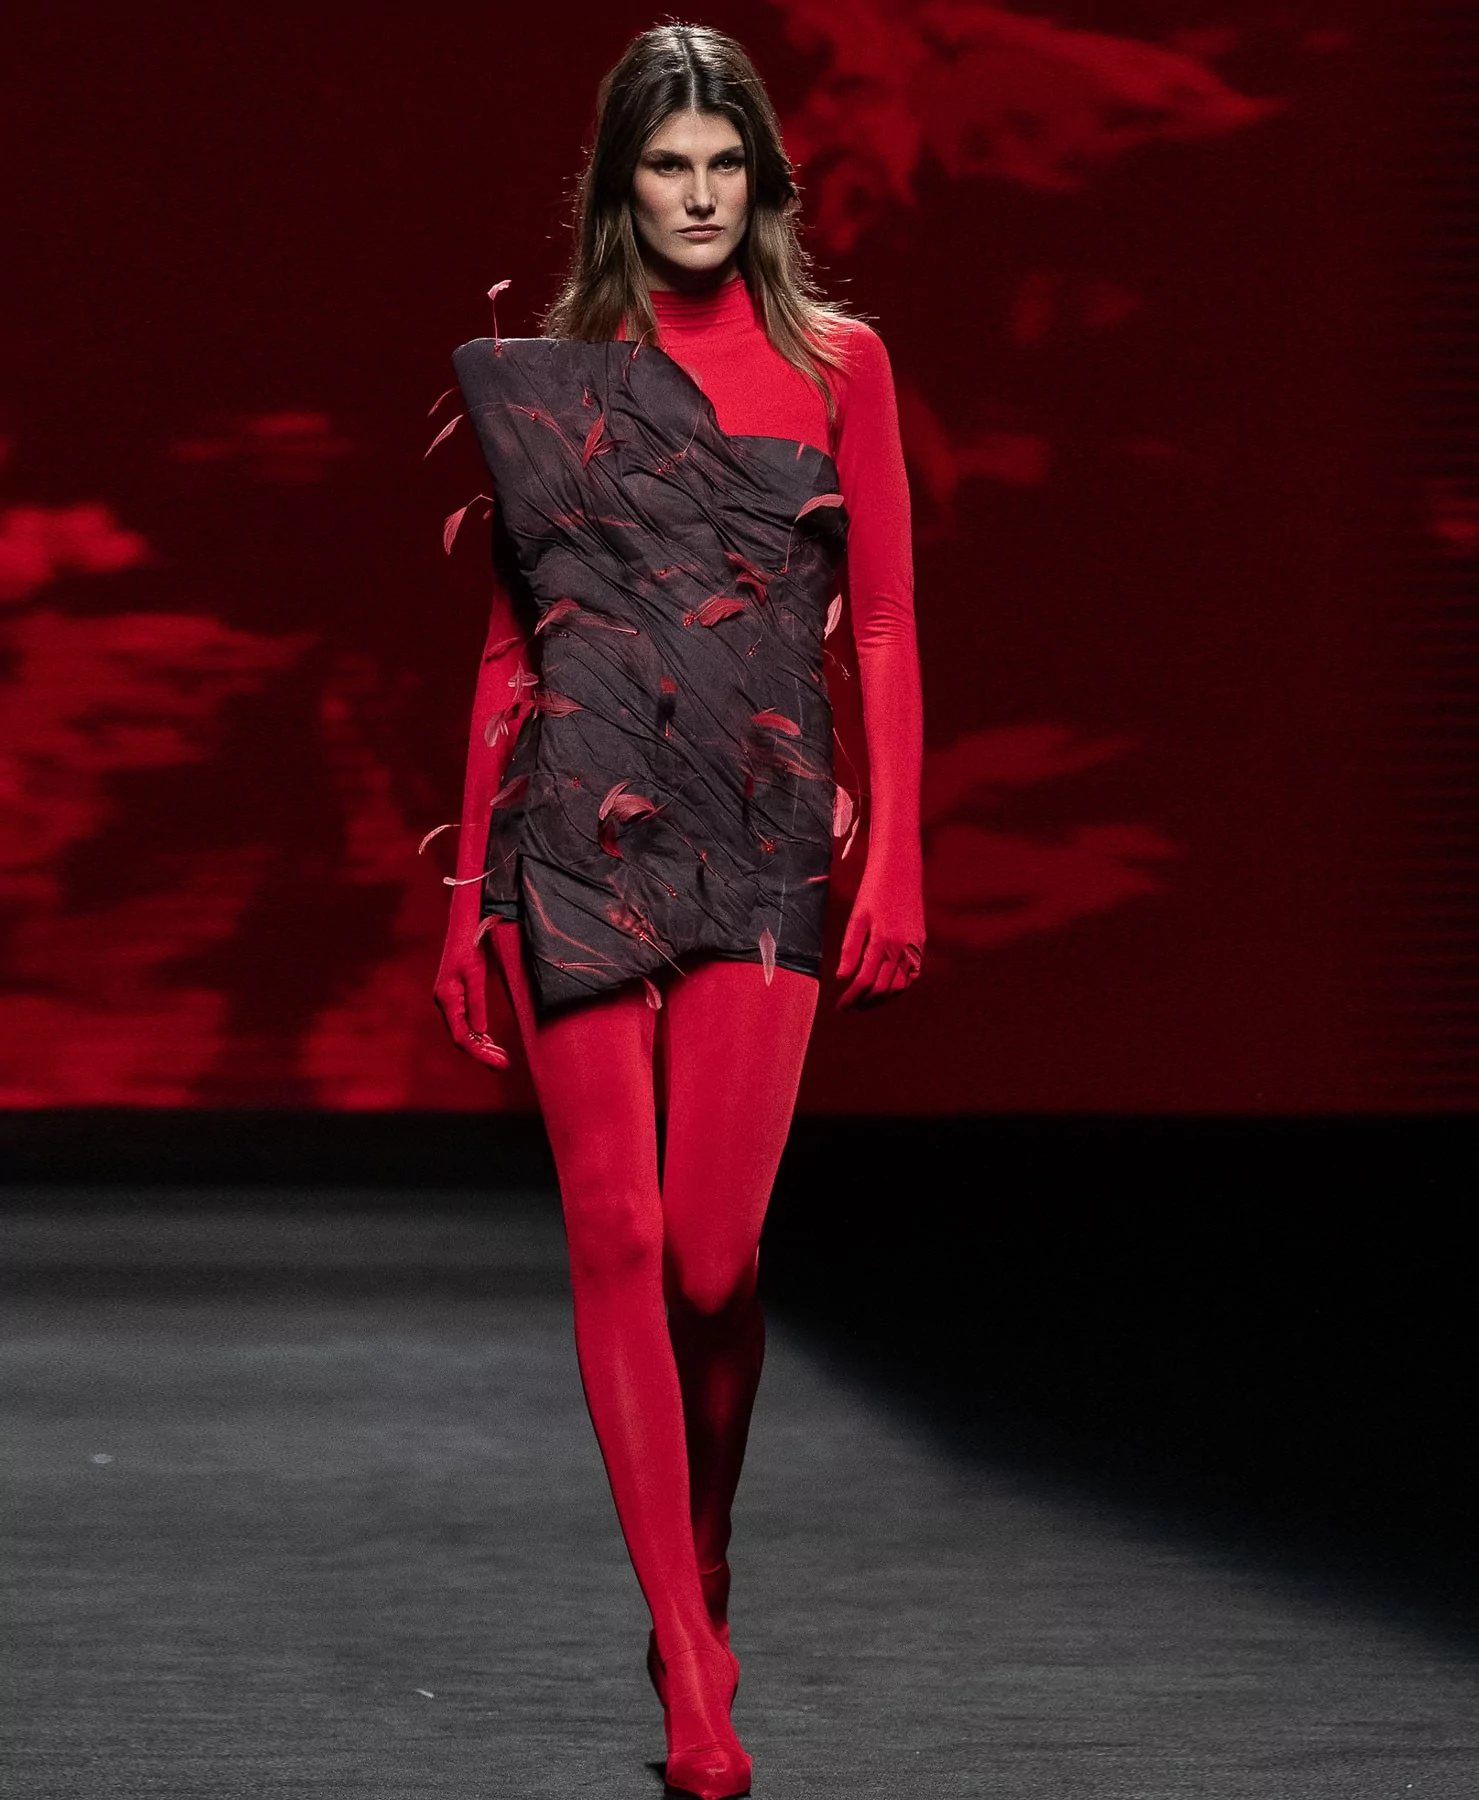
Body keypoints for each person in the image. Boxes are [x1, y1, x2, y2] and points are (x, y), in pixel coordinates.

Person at [432, 22, 924, 1798]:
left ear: (761, 179)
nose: (698, 196)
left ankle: (696, 1554)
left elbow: (877, 621)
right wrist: (464, 891)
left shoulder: (841, 363)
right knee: (620, 1241)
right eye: (667, 165)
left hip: (769, 817)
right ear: (620, 185)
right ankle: (689, 1663)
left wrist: (902, 852)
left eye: (725, 164)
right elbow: (512, 640)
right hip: (576, 818)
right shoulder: (560, 376)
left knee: (714, 1257)